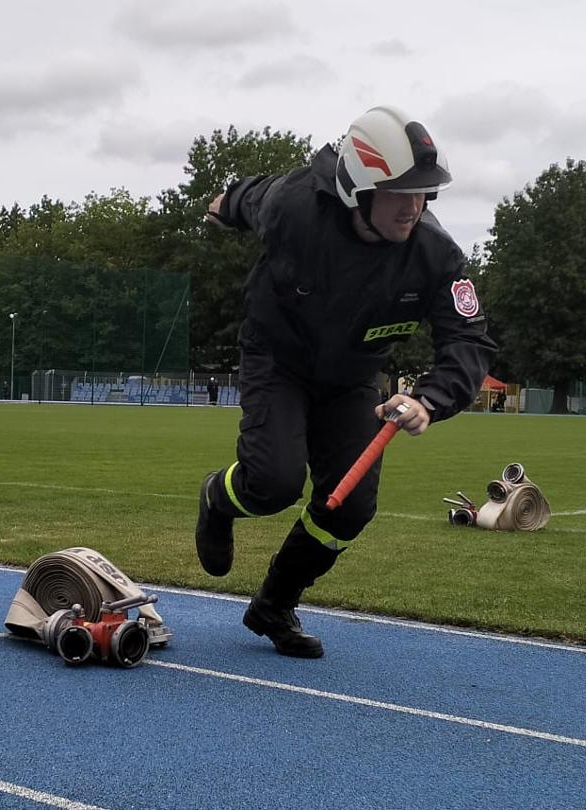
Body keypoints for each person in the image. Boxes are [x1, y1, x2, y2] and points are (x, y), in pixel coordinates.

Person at [193, 106, 495, 658]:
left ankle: (275, 604)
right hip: (277, 361)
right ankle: (218, 498)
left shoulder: (437, 256)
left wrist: (431, 398)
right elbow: (251, 197)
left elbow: (469, 339)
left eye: (424, 193)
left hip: (354, 377)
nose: (414, 207)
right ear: (359, 189)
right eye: (400, 193)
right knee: (274, 484)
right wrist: (223, 204)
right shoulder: (294, 208)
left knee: (349, 508)